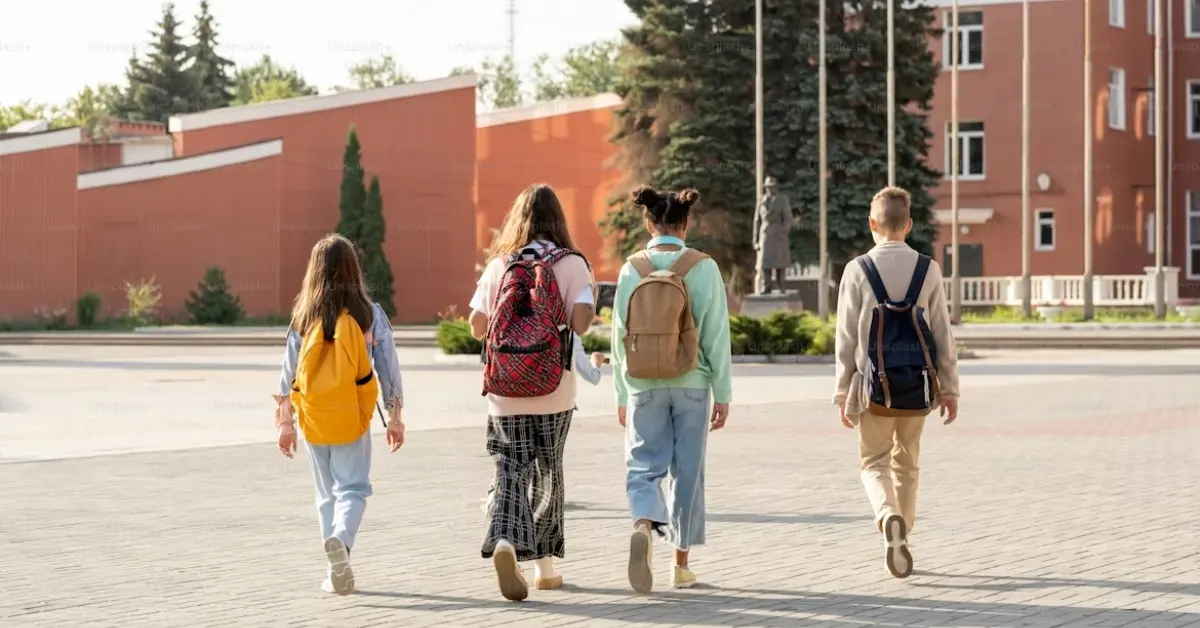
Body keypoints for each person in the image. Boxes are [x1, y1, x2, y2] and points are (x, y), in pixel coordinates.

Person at [468, 183, 595, 602]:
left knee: (509, 469)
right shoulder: (573, 263)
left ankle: (505, 541)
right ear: (558, 218)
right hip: (554, 388)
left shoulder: (500, 265)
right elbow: (580, 324)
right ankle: (544, 569)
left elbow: (476, 326)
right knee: (547, 470)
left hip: (504, 389)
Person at [611, 186, 733, 593]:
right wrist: (723, 391)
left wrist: (621, 393)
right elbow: (716, 335)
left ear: (649, 222)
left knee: (643, 465)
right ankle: (680, 565)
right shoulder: (704, 267)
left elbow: (618, 337)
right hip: (692, 383)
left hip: (643, 381)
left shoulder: (632, 268)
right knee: (688, 472)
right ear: (686, 223)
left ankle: (644, 525)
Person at [833, 186, 959, 579]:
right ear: (908, 224)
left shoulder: (857, 269)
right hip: (918, 386)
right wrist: (950, 387)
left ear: (872, 223)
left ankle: (887, 518)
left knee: (873, 461)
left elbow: (846, 337)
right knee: (908, 463)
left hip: (873, 387)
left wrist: (842, 391)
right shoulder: (928, 268)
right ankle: (905, 531)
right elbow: (941, 331)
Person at [274, 233, 406, 596]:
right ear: (354, 270)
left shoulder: (303, 317)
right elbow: (388, 369)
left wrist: (286, 423)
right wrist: (394, 417)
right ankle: (341, 543)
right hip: (351, 414)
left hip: (313, 417)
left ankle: (334, 571)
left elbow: (288, 375)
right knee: (353, 488)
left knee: (326, 494)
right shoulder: (369, 314)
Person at [753, 176, 794, 294]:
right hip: (765, 234)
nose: (770, 189)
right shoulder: (761, 200)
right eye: (768, 187)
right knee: (765, 263)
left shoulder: (782, 199)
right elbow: (757, 221)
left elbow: (788, 218)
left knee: (780, 262)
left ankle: (781, 286)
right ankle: (767, 286)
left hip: (778, 234)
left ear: (776, 188)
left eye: (772, 187)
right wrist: (755, 241)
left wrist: (783, 231)